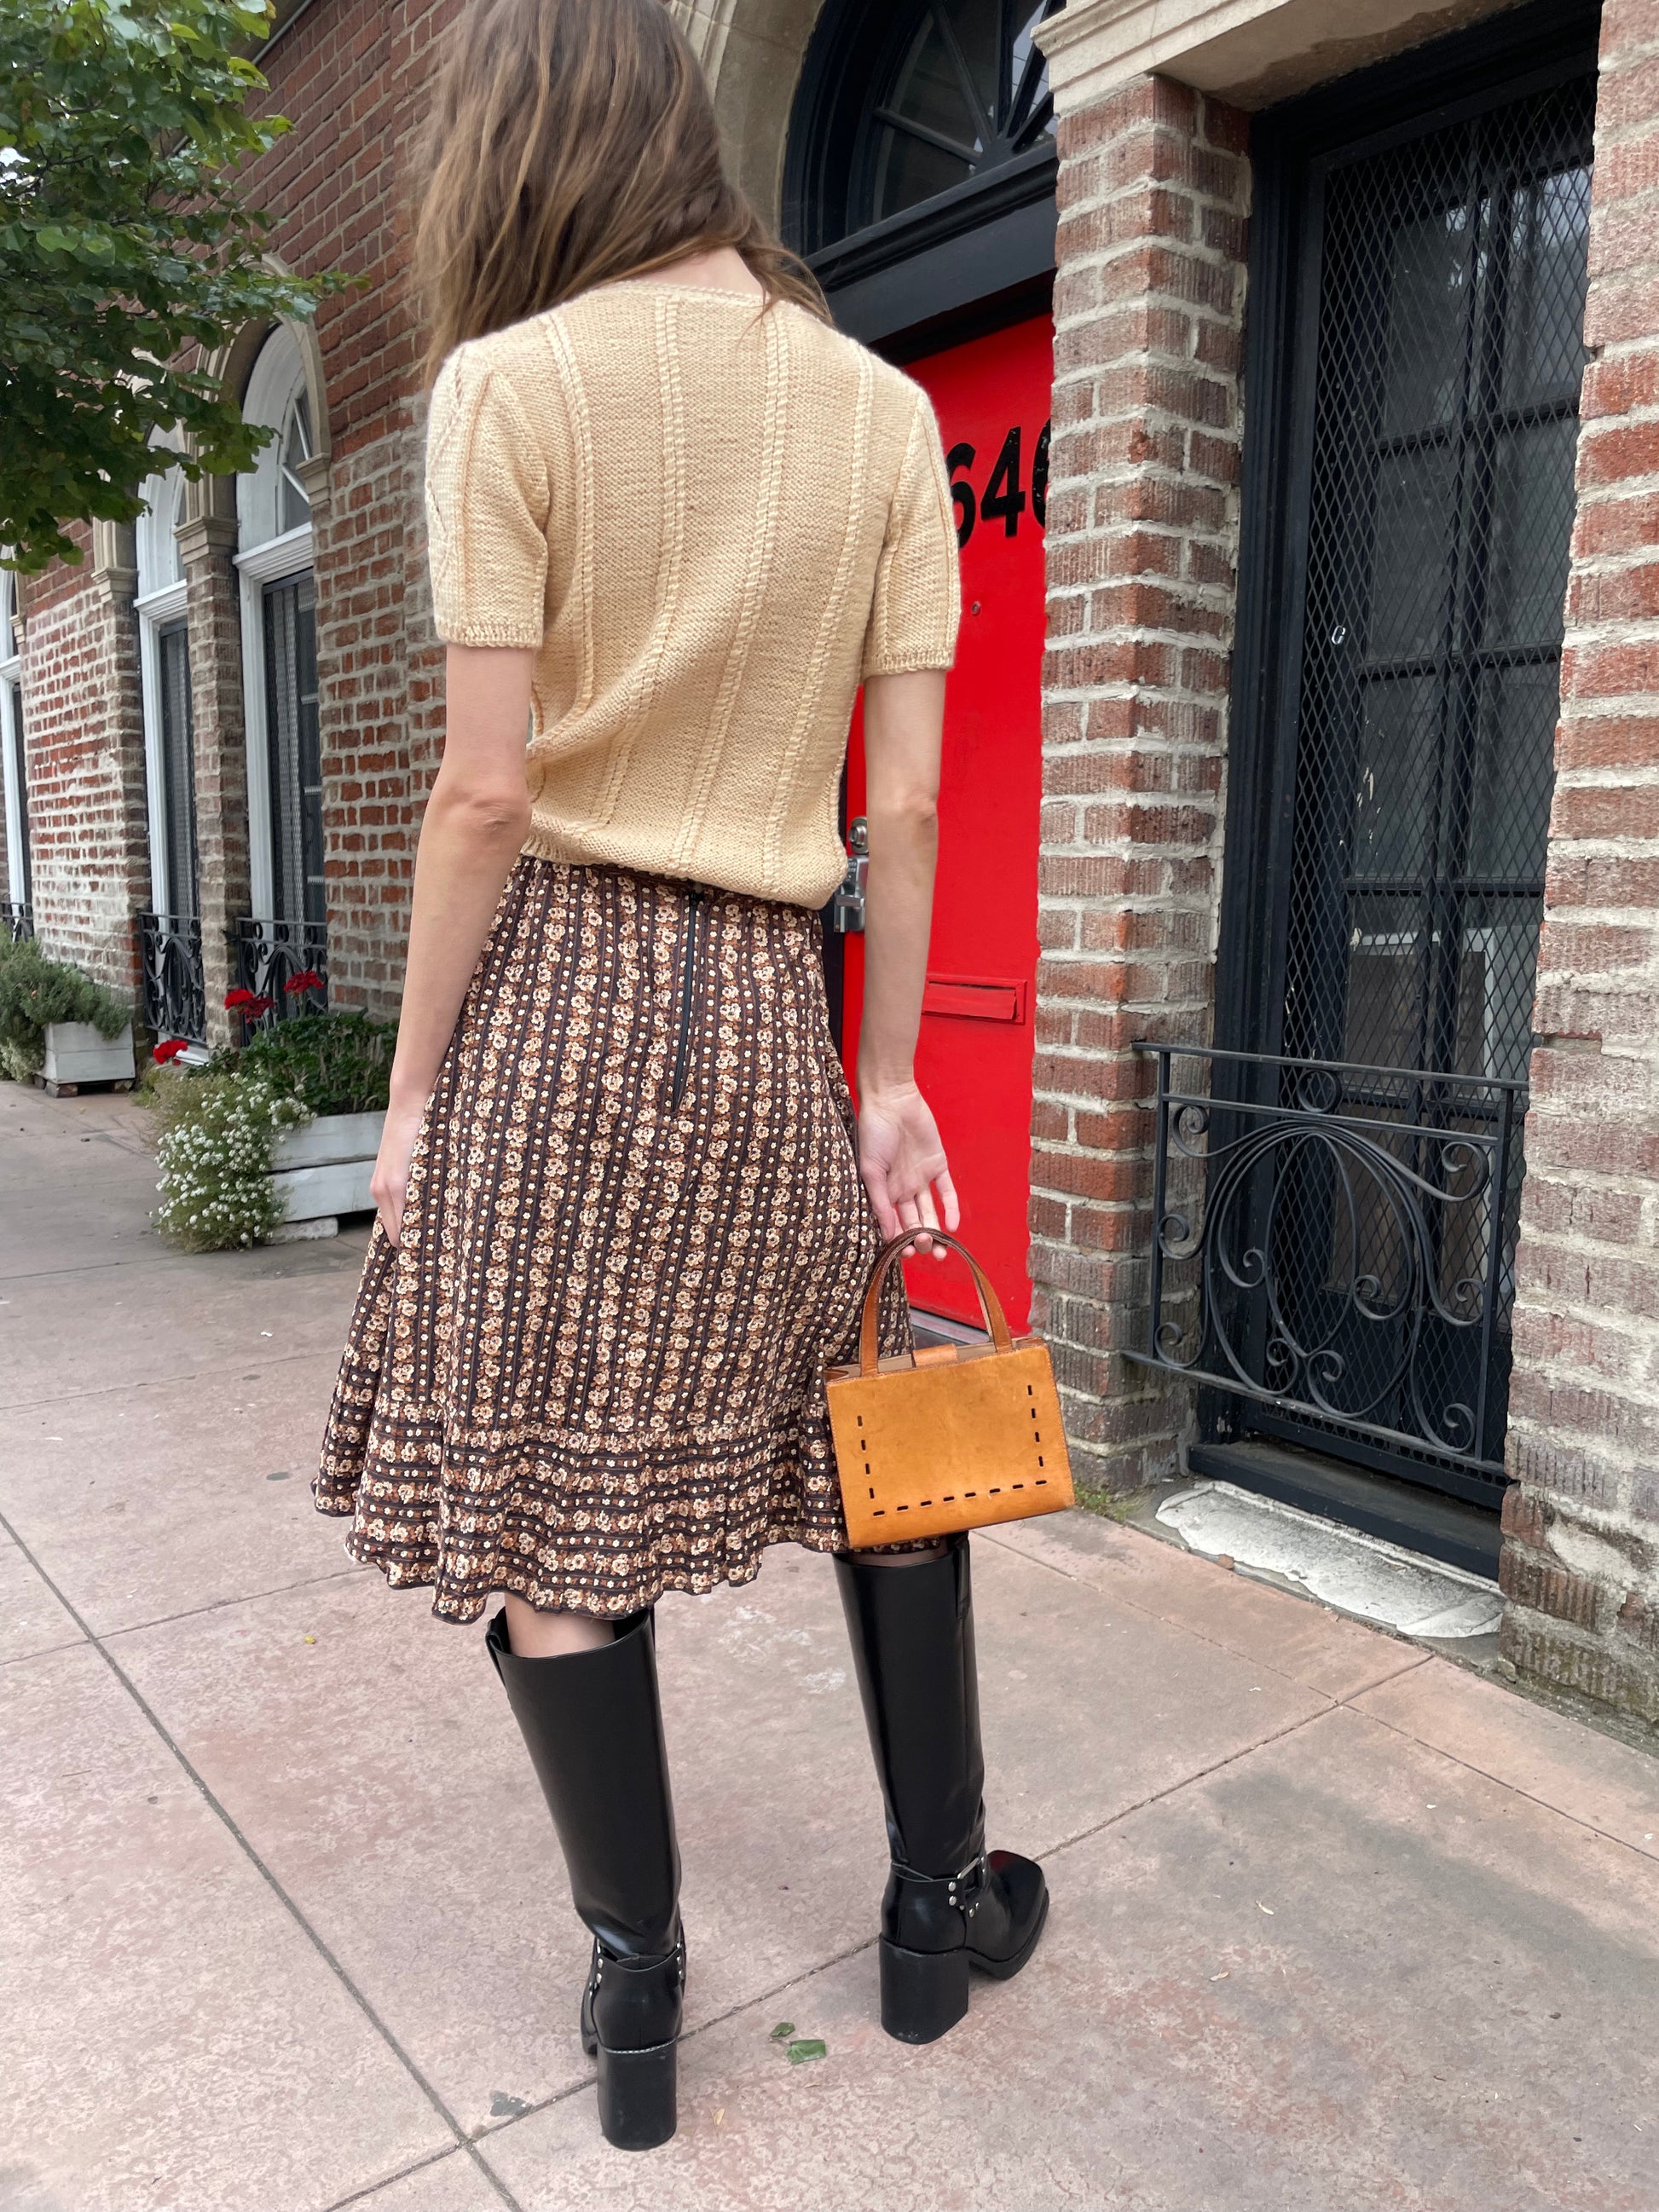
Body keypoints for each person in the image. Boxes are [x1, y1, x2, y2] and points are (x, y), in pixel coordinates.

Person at [314, 0, 1048, 2153]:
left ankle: (635, 1984)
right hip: (762, 1009)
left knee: (555, 1486)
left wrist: (421, 1087)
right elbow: (901, 813)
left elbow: (478, 792)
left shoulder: (504, 391)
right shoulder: (881, 411)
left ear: (520, 157)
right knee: (875, 1444)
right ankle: (936, 1905)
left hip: (552, 995)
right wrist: (891, 1074)